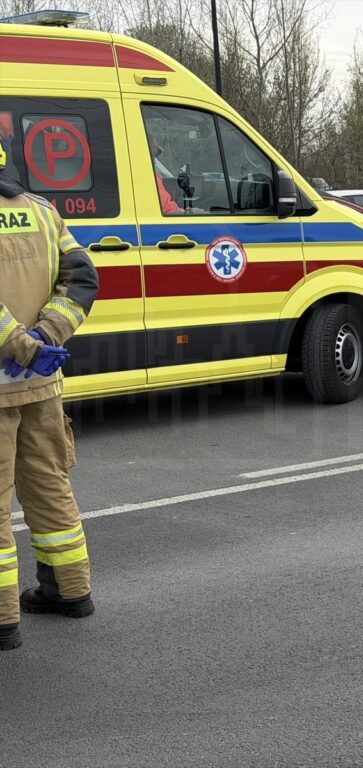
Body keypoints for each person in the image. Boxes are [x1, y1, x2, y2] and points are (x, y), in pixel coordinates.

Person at [0, 139, 99, 651]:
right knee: (49, 487)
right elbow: (81, 279)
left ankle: (3, 620)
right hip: (40, 384)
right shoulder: (42, 211)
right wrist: (45, 337)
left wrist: (21, 345)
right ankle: (69, 589)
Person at [150, 138, 183, 215]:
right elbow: (167, 208)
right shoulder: (148, 177)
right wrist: (190, 212)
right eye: (154, 152)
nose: (154, 160)